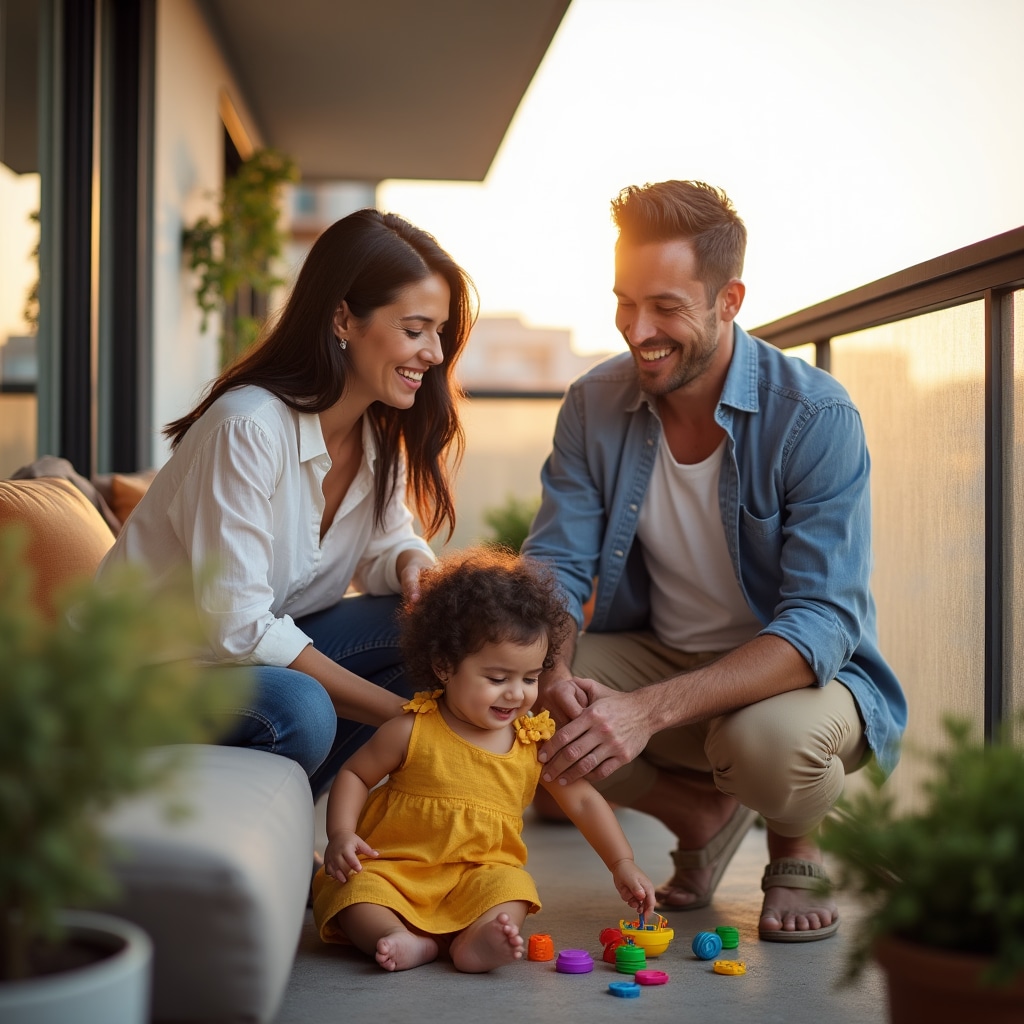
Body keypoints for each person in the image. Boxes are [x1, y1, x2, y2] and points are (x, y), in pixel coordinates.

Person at [521, 180, 907, 942]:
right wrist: (556, 673)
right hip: (661, 650)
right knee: (515, 690)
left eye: (666, 306)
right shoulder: (592, 404)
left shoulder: (816, 416)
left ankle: (797, 842)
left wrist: (646, 713)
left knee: (763, 746)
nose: (638, 329)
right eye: (625, 303)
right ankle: (698, 813)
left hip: (800, 680)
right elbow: (555, 565)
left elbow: (821, 621)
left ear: (729, 300)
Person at [98, 209, 474, 799]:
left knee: (437, 631)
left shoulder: (378, 430)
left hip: (235, 662)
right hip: (140, 677)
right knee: (301, 708)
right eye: (414, 329)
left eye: (440, 331)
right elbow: (239, 626)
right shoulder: (246, 427)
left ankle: (305, 817)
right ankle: (268, 831)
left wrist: (409, 563)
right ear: (343, 317)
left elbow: (386, 543)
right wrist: (413, 721)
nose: (433, 352)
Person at [311, 546, 656, 973]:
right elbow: (355, 775)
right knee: (356, 893)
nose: (516, 693)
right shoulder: (413, 727)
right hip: (397, 868)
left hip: (476, 876)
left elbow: (583, 802)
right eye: (497, 679)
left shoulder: (531, 741)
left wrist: (622, 862)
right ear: (444, 666)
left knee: (512, 887)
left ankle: (477, 940)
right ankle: (396, 935)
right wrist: (342, 834)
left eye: (530, 678)